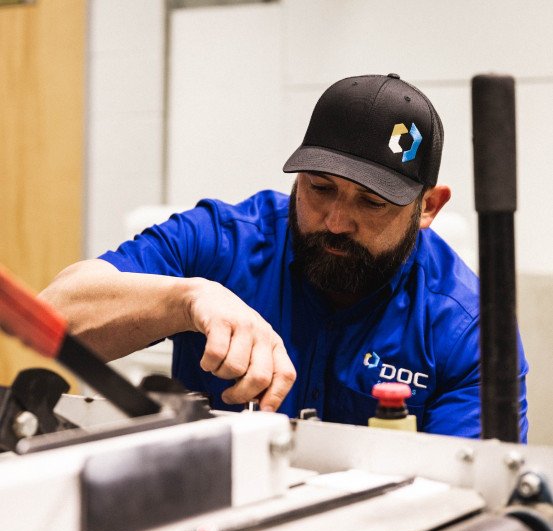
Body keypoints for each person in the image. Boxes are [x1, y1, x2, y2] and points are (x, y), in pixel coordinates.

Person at [40, 73, 528, 440]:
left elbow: (467, 502)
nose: (336, 220)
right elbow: (53, 319)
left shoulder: (467, 328)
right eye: (320, 188)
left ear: (428, 207)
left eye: (372, 202)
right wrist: (186, 299)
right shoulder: (222, 242)